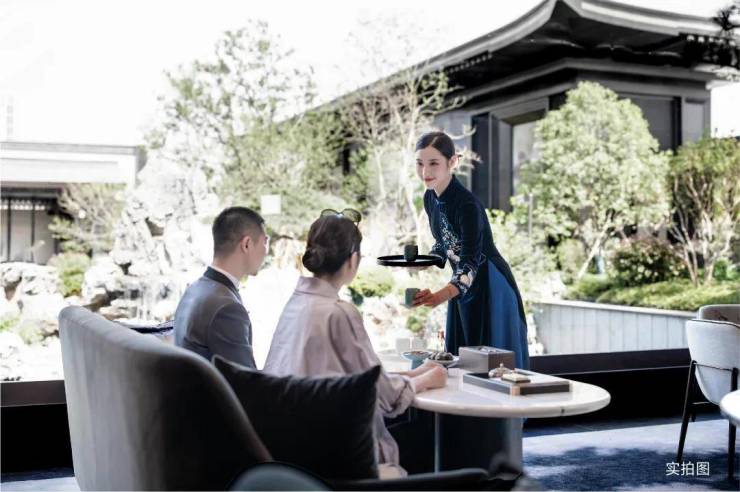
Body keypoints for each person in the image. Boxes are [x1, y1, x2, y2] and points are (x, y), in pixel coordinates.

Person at [264, 210, 447, 474]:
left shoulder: (295, 304)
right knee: (427, 439)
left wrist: (415, 373)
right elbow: (386, 396)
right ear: (353, 260)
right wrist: (430, 378)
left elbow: (361, 378)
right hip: (338, 459)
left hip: (290, 452)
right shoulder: (339, 313)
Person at [412, 131, 529, 369]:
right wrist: (423, 262)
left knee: (491, 368)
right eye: (420, 164)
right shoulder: (430, 198)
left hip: (489, 283)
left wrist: (439, 296)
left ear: (452, 162)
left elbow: (470, 262)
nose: (425, 172)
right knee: (462, 361)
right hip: (461, 286)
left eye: (433, 163)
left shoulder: (467, 205)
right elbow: (444, 243)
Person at [174, 206, 269, 368]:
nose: (266, 251)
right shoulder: (227, 308)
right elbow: (245, 379)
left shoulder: (195, 289)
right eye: (265, 242)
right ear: (246, 244)